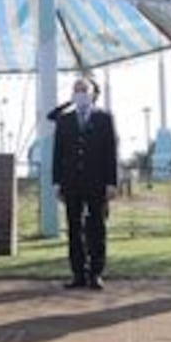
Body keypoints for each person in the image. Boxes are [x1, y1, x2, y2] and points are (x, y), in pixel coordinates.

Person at [52, 77, 118, 290]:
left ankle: (96, 272)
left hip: (97, 182)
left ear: (93, 94)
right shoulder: (65, 120)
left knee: (96, 226)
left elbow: (111, 153)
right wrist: (57, 182)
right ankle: (78, 273)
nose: (80, 93)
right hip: (71, 182)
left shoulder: (104, 118)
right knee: (74, 227)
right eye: (76, 89)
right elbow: (58, 153)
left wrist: (111, 182)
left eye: (84, 89)